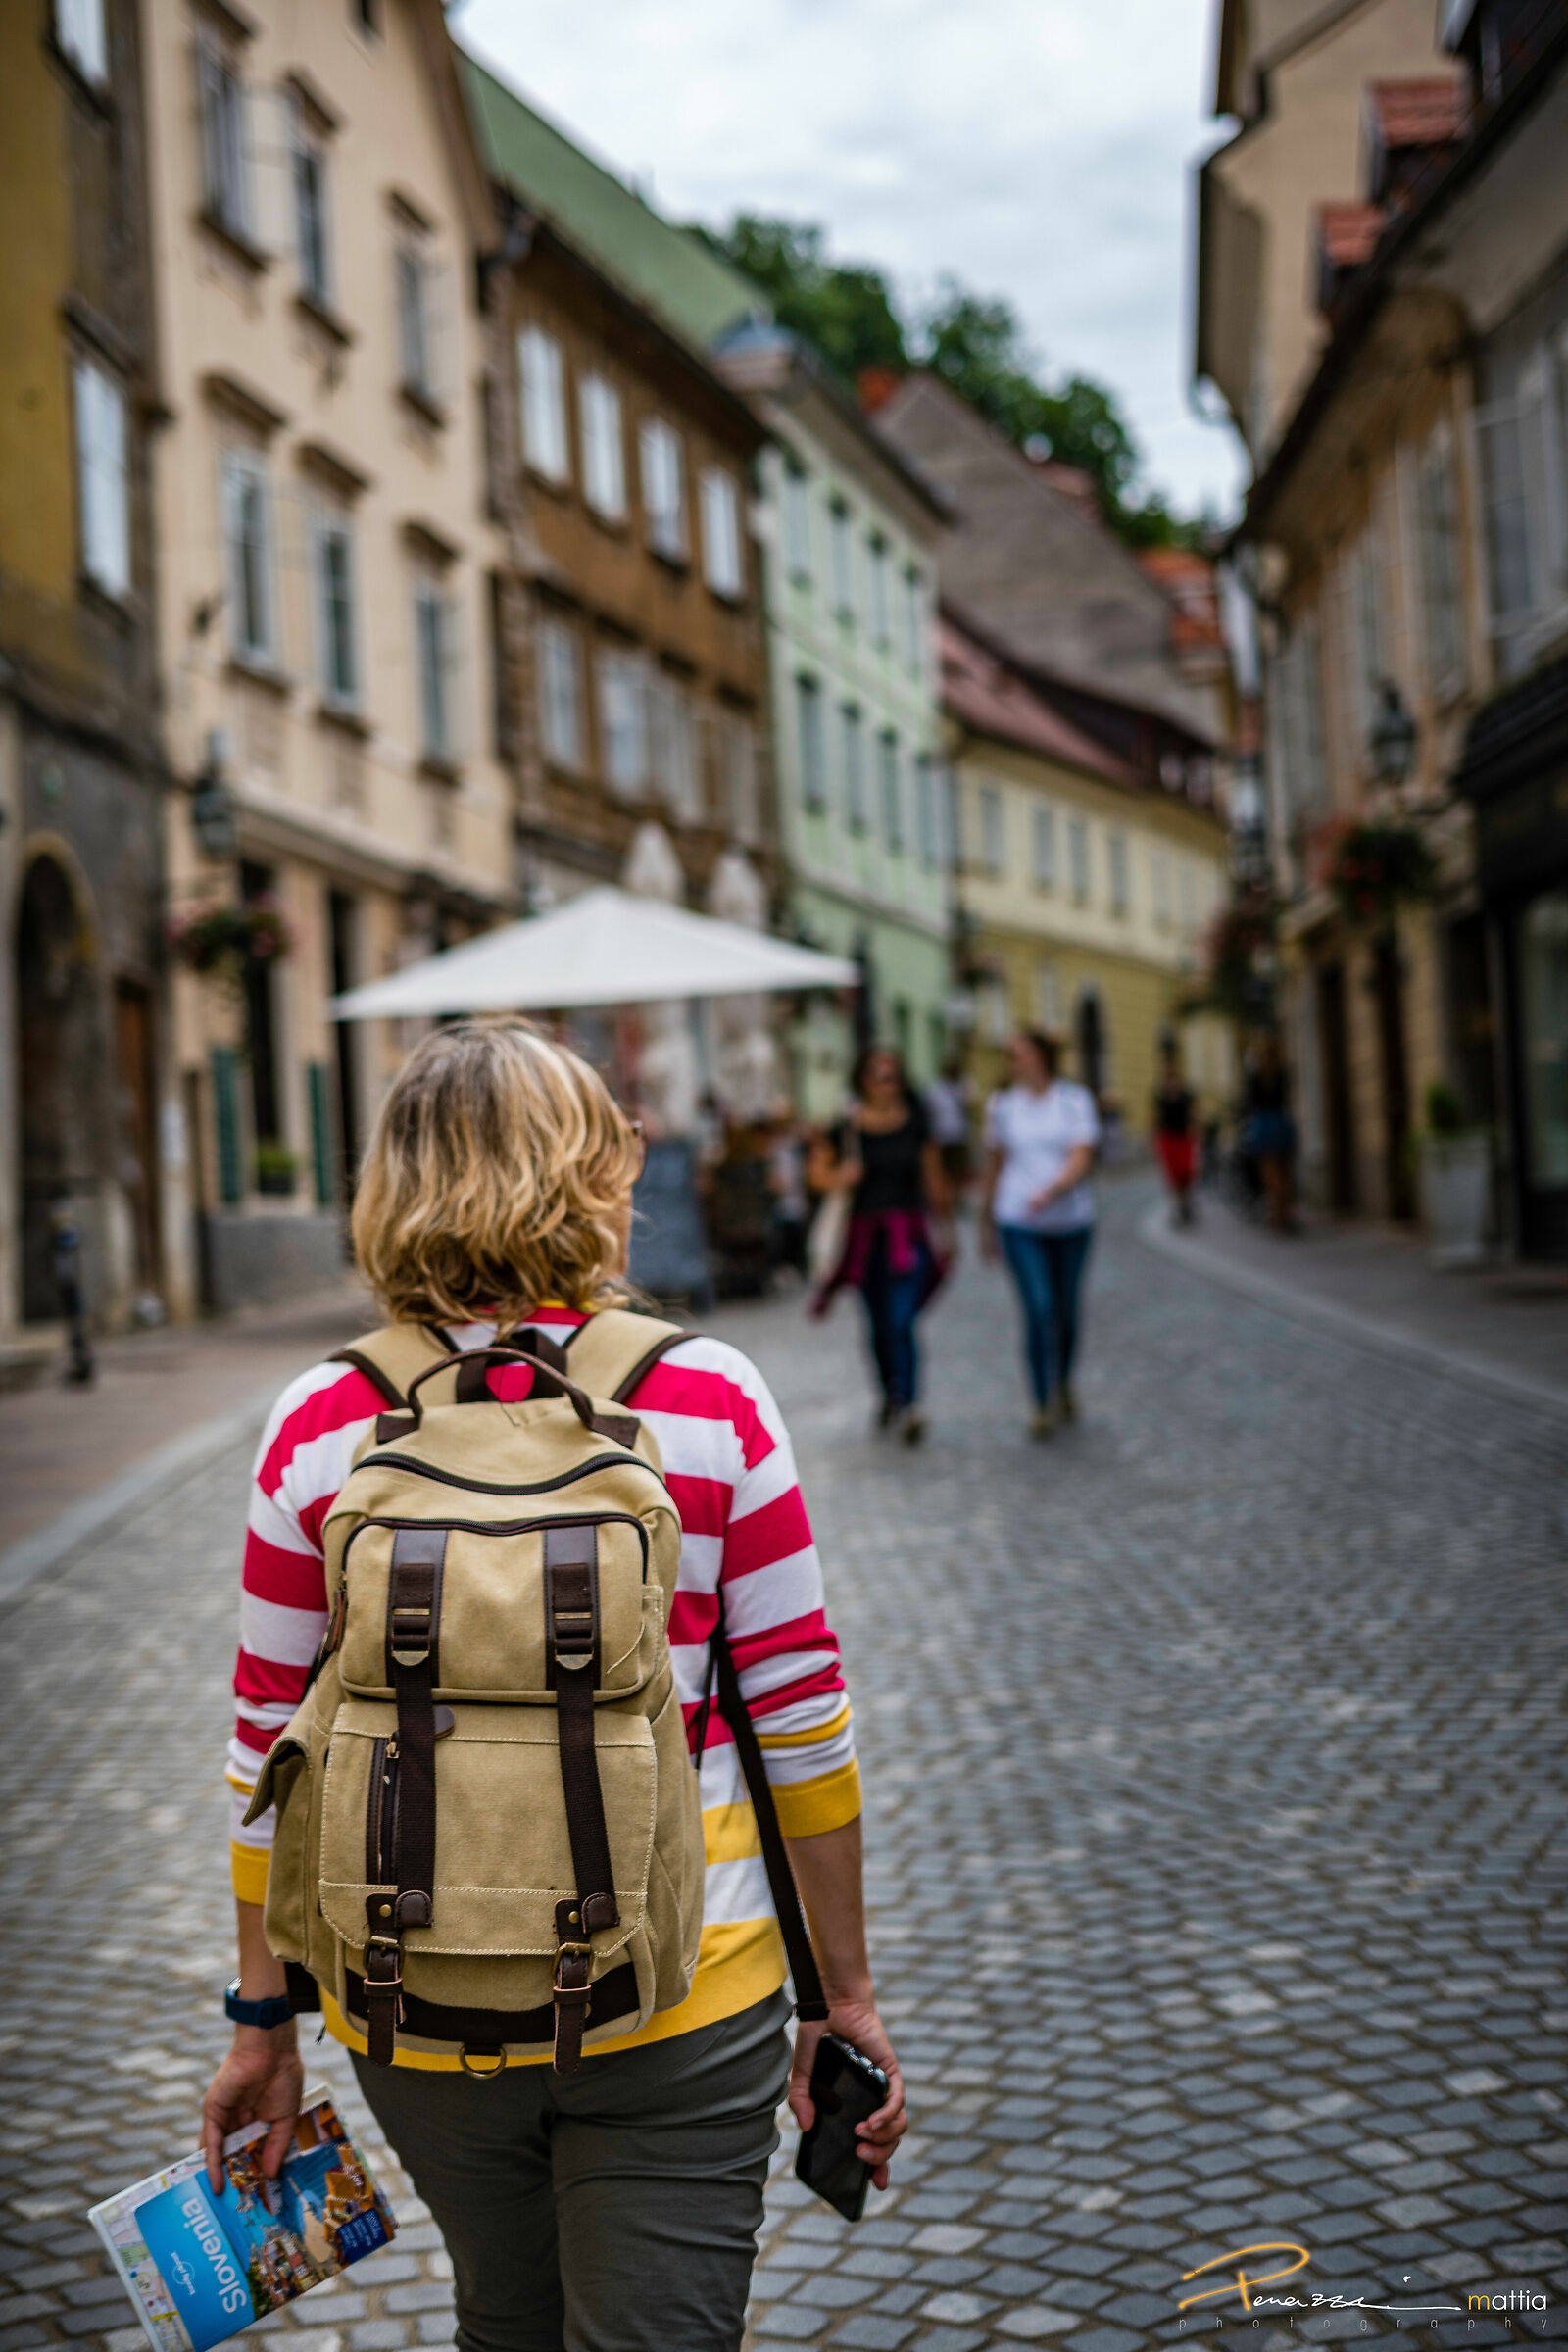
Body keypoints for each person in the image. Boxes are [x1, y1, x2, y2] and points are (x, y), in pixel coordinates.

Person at [200, 1019, 906, 2352]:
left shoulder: (317, 1422)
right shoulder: (710, 1398)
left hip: (409, 2000)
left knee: (505, 2315)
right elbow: (804, 1726)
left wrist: (263, 2019)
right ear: (595, 1172)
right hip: (685, 1989)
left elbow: (262, 1756)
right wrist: (844, 2001)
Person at [808, 1045, 948, 1445]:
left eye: (892, 1076)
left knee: (903, 1319)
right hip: (865, 1239)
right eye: (876, 1076)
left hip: (909, 1235)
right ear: (862, 1081)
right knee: (877, 1324)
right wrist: (841, 1177)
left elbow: (933, 1176)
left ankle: (911, 1402)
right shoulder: (846, 1126)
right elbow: (816, 1173)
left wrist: (947, 1229)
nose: (885, 1084)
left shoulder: (917, 1122)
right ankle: (889, 1392)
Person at [981, 1030, 1101, 1438]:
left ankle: (1063, 1379)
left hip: (1070, 1222)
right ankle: (1040, 1401)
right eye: (1011, 1056)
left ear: (1043, 1057)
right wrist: (986, 1221)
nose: (1015, 1063)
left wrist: (1052, 1190)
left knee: (1066, 1311)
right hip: (1018, 1220)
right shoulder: (1001, 1106)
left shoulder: (1072, 1100)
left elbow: (1082, 1156)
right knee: (1038, 1306)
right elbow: (995, 1164)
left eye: (1022, 1054)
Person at [1243, 1033, 1298, 1234]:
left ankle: (1276, 1214)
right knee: (1285, 1173)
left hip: (1264, 1125)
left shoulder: (1256, 1077)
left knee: (1270, 1174)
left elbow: (1249, 1104)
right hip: (1281, 1122)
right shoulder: (1282, 1073)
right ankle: (1285, 1213)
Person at [1152, 1041, 1200, 1227]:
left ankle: (1185, 1201)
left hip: (1183, 1138)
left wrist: (1195, 1131)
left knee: (1186, 1172)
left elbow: (1194, 1113)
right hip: (1168, 1138)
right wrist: (1154, 1139)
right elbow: (1155, 1117)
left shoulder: (1186, 1093)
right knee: (1173, 1175)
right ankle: (1179, 1205)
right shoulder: (1160, 1094)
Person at [924, 1057, 973, 1202]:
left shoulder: (962, 1086)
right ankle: (945, 1200)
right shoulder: (935, 1090)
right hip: (941, 1137)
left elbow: (969, 1106)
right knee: (943, 1171)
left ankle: (955, 1198)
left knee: (958, 1171)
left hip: (959, 1135)